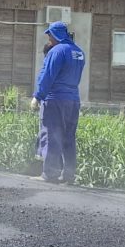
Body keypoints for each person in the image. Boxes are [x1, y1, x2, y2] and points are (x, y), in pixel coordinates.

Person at [30, 22, 85, 183]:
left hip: (55, 99)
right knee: (69, 137)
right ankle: (68, 175)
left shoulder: (56, 51)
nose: (49, 39)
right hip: (73, 100)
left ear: (56, 35)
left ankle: (50, 174)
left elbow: (48, 75)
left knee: (52, 135)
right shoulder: (79, 52)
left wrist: (37, 96)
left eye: (50, 35)